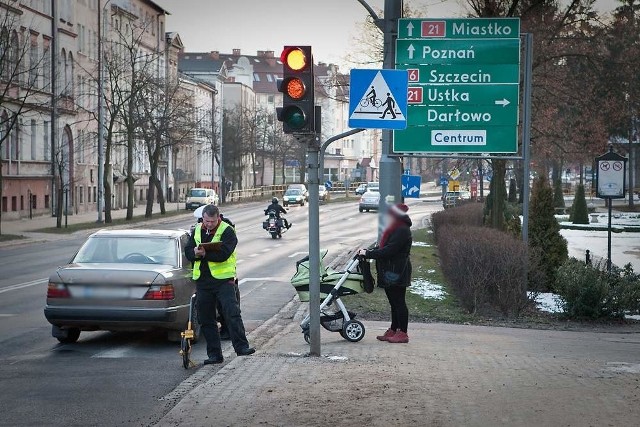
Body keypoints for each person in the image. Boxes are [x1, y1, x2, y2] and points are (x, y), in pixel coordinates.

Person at [185, 205, 255, 364]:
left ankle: (242, 347)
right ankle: (215, 355)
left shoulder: (227, 230)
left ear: (219, 218)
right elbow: (188, 251)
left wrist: (205, 254)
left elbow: (224, 254)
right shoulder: (197, 230)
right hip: (203, 281)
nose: (209, 224)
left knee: (232, 312)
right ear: (202, 218)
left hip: (224, 281)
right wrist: (195, 253)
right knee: (206, 319)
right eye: (206, 221)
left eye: (212, 221)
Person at [358, 203, 412, 343]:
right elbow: (384, 247)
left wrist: (369, 254)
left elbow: (390, 250)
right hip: (390, 270)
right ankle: (394, 329)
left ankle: (403, 332)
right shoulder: (394, 228)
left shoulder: (402, 230)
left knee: (399, 301)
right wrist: (370, 251)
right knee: (393, 302)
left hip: (397, 270)